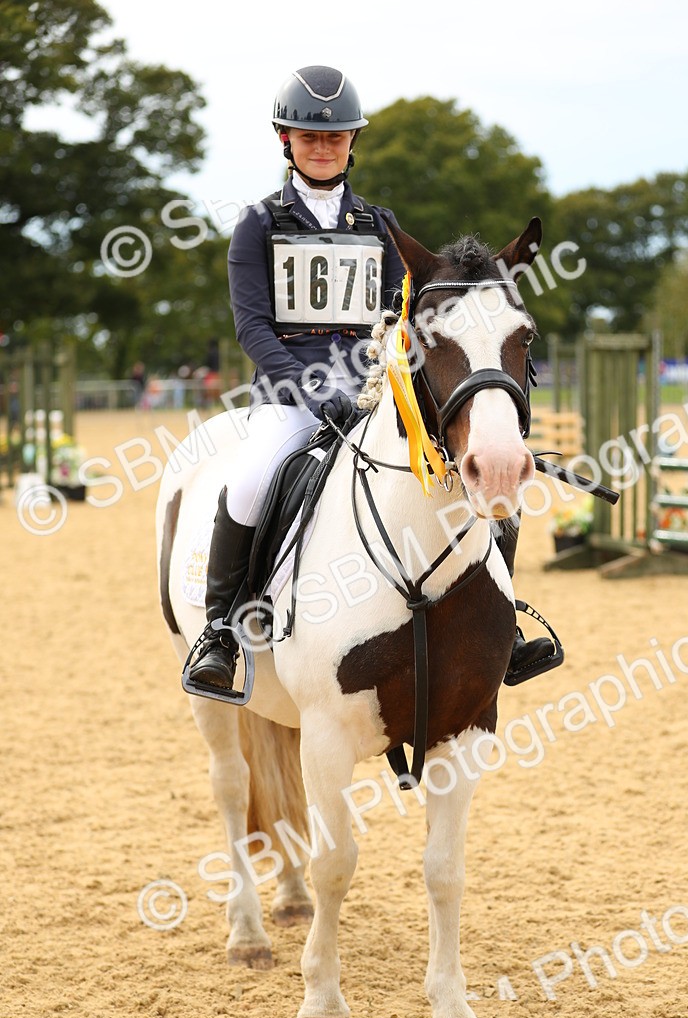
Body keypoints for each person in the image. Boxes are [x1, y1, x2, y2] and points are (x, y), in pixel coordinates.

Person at [187, 64, 554, 693]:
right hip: (288, 395)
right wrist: (306, 387)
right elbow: (252, 328)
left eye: (334, 137)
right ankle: (220, 631)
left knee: (480, 474)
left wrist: (386, 378)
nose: (322, 147)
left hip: (372, 392)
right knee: (250, 481)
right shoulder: (258, 224)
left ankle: (504, 622)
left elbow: (401, 316)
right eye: (309, 137)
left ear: (352, 141)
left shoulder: (380, 226)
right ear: (286, 140)